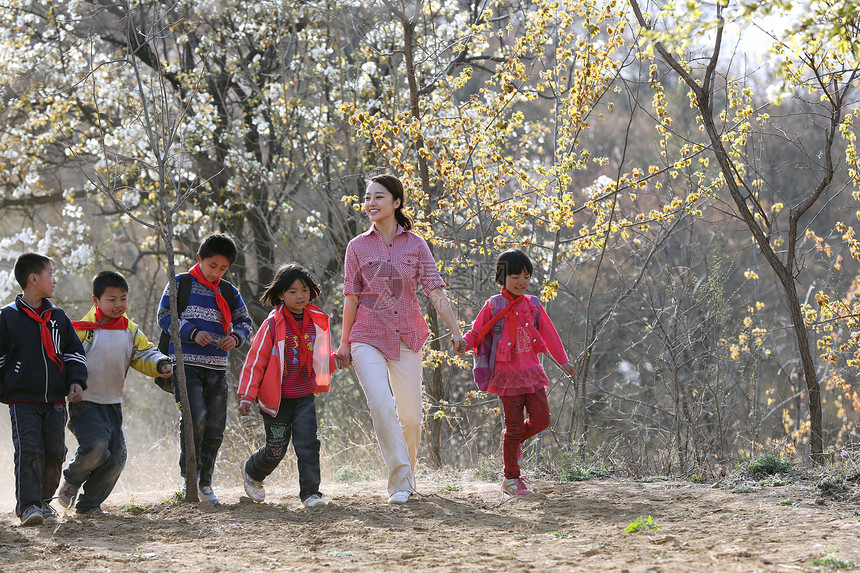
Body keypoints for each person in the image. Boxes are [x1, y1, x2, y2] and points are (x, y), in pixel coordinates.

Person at [335, 173, 465, 505]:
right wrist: (345, 342)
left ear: (396, 202)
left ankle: (406, 474)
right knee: (380, 404)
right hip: (366, 335)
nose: (370, 203)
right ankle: (400, 483)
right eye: (366, 198)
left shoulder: (416, 245)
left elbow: (435, 290)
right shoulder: (357, 247)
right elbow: (351, 297)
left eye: (378, 197)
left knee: (410, 417)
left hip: (408, 336)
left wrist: (455, 330)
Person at [458, 249, 576, 496]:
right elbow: (477, 332)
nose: (522, 282)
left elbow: (549, 333)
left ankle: (510, 441)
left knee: (542, 419)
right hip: (506, 376)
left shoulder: (533, 304)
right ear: (502, 277)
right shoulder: (494, 304)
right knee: (513, 428)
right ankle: (511, 479)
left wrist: (563, 361)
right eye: (515, 277)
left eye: (526, 276)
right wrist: (463, 344)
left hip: (532, 373)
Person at [55, 271, 173, 517]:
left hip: (113, 404)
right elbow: (65, 361)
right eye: (111, 299)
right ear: (95, 300)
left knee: (117, 457)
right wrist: (67, 387)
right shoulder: (82, 331)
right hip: (84, 402)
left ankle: (89, 505)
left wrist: (161, 363)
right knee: (97, 448)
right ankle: (72, 479)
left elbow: (144, 353)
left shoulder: (130, 331)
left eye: (123, 298)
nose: (118, 304)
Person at [158, 233, 253, 503]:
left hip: (217, 367)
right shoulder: (180, 283)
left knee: (215, 425)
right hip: (185, 363)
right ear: (199, 258)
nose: (216, 272)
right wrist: (193, 332)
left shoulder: (228, 291)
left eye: (223, 269)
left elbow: (244, 321)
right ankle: (191, 475)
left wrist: (235, 337)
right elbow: (165, 316)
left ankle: (206, 481)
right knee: (195, 417)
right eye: (212, 266)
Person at [237, 263, 337, 508]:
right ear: (280, 294)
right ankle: (252, 471)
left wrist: (339, 360)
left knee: (308, 444)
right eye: (292, 291)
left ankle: (311, 494)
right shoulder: (272, 324)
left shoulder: (317, 321)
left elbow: (321, 360)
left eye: (304, 289)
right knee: (276, 448)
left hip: (304, 395)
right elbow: (255, 361)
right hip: (277, 399)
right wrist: (246, 395)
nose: (300, 295)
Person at [0, 253, 87, 525]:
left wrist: (75, 380)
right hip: (23, 399)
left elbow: (74, 352)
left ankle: (43, 503)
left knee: (55, 452)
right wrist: (10, 382)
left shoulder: (58, 317)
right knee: (30, 450)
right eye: (51, 274)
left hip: (55, 400)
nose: (55, 279)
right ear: (33, 279)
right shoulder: (6, 317)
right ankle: (27, 507)